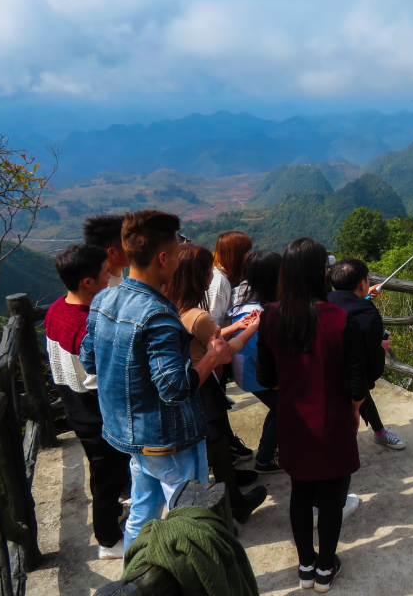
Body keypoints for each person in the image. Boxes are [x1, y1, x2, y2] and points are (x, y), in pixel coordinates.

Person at [80, 209, 232, 552]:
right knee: (191, 521)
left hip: (129, 435)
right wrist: (212, 357)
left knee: (142, 513)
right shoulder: (159, 315)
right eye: (177, 256)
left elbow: (90, 359)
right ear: (162, 258)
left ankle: (131, 579)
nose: (179, 263)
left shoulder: (104, 298)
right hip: (170, 439)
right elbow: (175, 388)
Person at [256, 237, 369, 593]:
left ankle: (305, 565)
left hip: (293, 421)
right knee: (331, 499)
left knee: (300, 493)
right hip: (334, 420)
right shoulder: (341, 320)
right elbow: (356, 383)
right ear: (320, 272)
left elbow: (266, 378)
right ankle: (324, 568)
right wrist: (354, 412)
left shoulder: (271, 316)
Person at [163, 242, 268, 524]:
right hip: (204, 387)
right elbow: (225, 352)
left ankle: (232, 496)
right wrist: (253, 328)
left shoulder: (169, 305)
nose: (213, 275)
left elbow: (208, 336)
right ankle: (232, 506)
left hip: (183, 386)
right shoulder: (199, 315)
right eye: (208, 270)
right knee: (216, 446)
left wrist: (237, 325)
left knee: (216, 448)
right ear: (198, 275)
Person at [45, 244, 132, 560]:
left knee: (108, 473)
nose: (111, 276)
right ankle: (108, 541)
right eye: (105, 273)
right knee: (105, 479)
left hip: (72, 402)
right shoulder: (87, 326)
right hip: (95, 413)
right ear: (88, 282)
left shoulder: (57, 309)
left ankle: (113, 520)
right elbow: (101, 383)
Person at [328, 258, 405, 450]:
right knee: (347, 429)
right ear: (363, 283)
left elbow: (345, 307)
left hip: (325, 373)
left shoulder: (325, 301)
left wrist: (362, 297)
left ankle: (379, 432)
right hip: (350, 378)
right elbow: (371, 370)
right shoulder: (369, 316)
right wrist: (381, 349)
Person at [229, 250, 283, 474]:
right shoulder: (253, 312)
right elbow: (258, 353)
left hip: (253, 372)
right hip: (256, 375)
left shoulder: (243, 297)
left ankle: (269, 452)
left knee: (280, 407)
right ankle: (264, 459)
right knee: (284, 407)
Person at [205, 231, 255, 462]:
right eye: (245, 252)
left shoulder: (221, 278)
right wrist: (237, 328)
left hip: (217, 354)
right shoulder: (219, 284)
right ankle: (225, 450)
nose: (248, 256)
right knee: (216, 404)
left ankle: (228, 444)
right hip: (212, 357)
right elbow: (211, 330)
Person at [83, 214, 129, 288]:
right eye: (128, 246)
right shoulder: (106, 288)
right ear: (112, 252)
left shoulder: (116, 273)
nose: (134, 249)